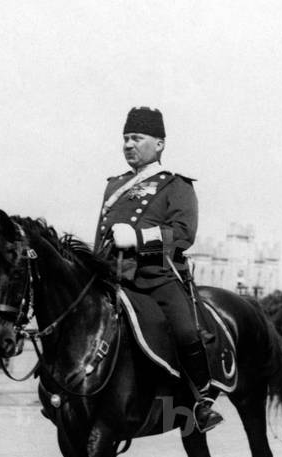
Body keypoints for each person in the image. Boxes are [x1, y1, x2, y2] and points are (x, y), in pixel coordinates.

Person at [95, 106, 221, 432]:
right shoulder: (113, 186)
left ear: (159, 144)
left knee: (185, 331)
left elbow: (183, 235)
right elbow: (101, 239)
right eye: (125, 138)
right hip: (113, 276)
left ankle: (200, 402)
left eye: (137, 137)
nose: (128, 144)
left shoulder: (176, 185)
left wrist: (136, 238)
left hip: (156, 274)